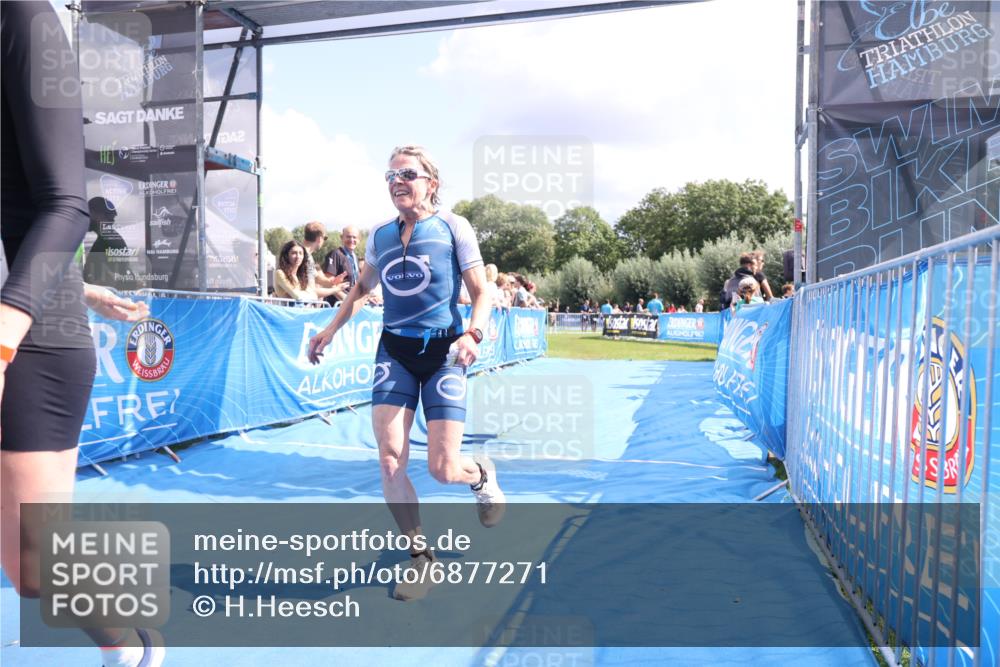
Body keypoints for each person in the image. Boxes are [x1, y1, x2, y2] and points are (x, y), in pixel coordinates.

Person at [1, 4, 163, 666]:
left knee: (34, 569)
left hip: (29, 343)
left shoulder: (20, 16)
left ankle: (130, 641)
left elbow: (64, 204)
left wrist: (10, 328)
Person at [307, 145, 504, 602]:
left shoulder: (455, 227)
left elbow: (481, 291)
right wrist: (331, 329)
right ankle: (420, 559)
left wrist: (473, 335)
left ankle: (479, 476)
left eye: (407, 174)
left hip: (443, 354)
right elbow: (361, 287)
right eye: (390, 175)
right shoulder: (379, 235)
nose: (397, 181)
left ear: (430, 183)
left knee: (442, 468)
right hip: (394, 351)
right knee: (391, 458)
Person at [301, 221, 347, 301]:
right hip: (299, 308)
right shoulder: (302, 256)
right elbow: (310, 291)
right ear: (319, 238)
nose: (324, 242)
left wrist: (333, 281)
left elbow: (318, 279)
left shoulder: (307, 256)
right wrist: (336, 289)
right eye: (325, 238)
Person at [321, 225, 361, 305]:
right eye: (348, 237)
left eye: (354, 237)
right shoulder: (335, 254)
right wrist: (344, 298)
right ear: (342, 237)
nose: (351, 240)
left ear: (359, 240)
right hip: (336, 305)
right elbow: (328, 283)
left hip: (351, 303)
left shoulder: (354, 257)